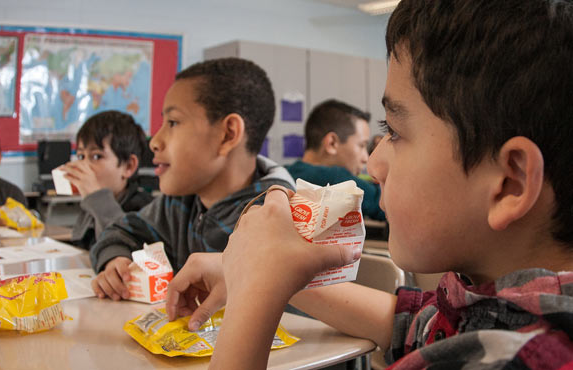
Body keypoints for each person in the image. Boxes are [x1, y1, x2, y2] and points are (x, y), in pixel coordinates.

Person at [165, 0, 573, 368]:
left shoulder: (523, 359)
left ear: (509, 184)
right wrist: (258, 273)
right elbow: (412, 322)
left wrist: (255, 296)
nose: (374, 163)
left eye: (394, 131)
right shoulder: (501, 309)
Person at [89, 57, 296, 301]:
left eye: (173, 122)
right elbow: (122, 231)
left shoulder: (274, 215)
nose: (154, 141)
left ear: (227, 134)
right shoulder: (180, 203)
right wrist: (116, 259)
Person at [59, 110, 154, 249]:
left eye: (96, 156)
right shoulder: (90, 207)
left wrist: (97, 199)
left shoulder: (147, 211)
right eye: (80, 156)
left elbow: (127, 251)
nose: (83, 166)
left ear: (129, 166)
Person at [285, 99, 385, 220]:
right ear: (332, 143)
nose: (366, 158)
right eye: (361, 145)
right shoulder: (336, 178)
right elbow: (385, 204)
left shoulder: (285, 173)